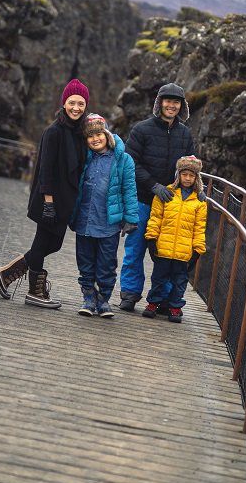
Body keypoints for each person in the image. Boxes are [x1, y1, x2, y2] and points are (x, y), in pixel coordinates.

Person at [0, 79, 89, 308]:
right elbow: (45, 169)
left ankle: (5, 275)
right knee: (42, 243)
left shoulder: (79, 132)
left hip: (65, 201)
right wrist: (48, 202)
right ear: (64, 103)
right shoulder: (54, 131)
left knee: (52, 245)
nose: (76, 108)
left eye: (81, 104)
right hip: (50, 199)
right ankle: (35, 292)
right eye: (72, 103)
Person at [118, 83, 196, 312]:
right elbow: (131, 163)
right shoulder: (141, 129)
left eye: (176, 102)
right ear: (159, 103)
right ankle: (130, 294)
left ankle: (162, 299)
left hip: (172, 204)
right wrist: (153, 186)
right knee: (136, 248)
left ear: (181, 106)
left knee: (167, 253)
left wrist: (194, 191)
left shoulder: (185, 134)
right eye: (167, 100)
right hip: (142, 200)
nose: (171, 105)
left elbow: (191, 167)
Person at [69, 114, 138, 318]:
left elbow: (129, 189)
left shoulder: (122, 159)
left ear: (107, 134)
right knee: (85, 262)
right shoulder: (84, 157)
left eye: (99, 134)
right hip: (85, 222)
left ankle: (104, 299)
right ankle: (89, 297)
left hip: (109, 224)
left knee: (107, 264)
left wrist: (131, 218)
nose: (95, 139)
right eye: (90, 136)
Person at [142, 155, 208, 323]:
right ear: (178, 175)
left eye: (191, 176)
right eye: (184, 174)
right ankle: (153, 304)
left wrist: (198, 249)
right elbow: (155, 218)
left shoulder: (199, 202)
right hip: (163, 246)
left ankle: (175, 307)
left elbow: (199, 227)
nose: (187, 178)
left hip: (184, 250)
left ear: (196, 178)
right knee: (158, 278)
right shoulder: (166, 194)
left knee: (179, 281)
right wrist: (151, 238)